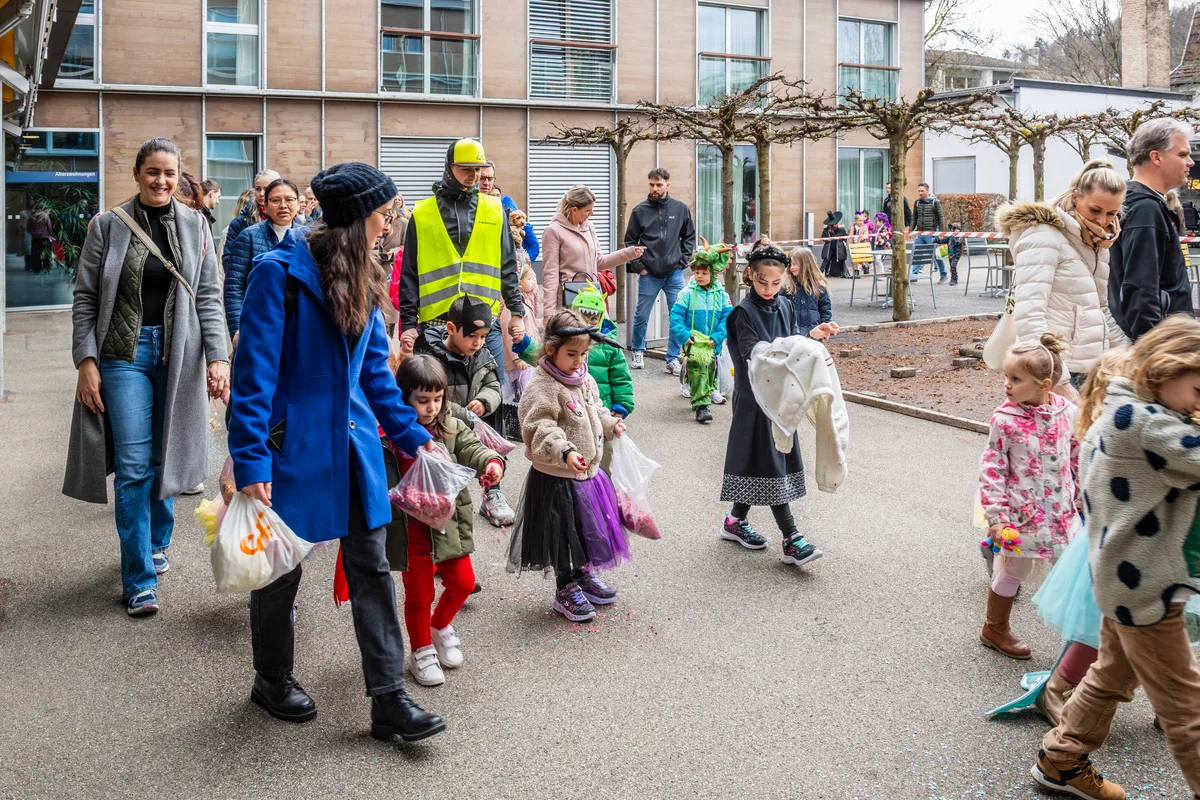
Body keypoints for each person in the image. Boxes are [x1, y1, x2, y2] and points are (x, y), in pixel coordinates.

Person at [228, 161, 445, 742]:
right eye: (383, 214)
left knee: (371, 568)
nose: (389, 223)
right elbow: (253, 379)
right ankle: (271, 677)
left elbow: (376, 375)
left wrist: (415, 437)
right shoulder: (278, 275)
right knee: (281, 570)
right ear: (355, 220)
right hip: (292, 451)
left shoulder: (368, 276)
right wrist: (249, 460)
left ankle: (388, 698)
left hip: (352, 450)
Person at [1031, 316, 1200, 800]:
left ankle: (1061, 761)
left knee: (1111, 675)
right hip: (1147, 584)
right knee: (1187, 708)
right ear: (1166, 370)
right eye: (1197, 389)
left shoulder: (1124, 410)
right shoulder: (1145, 424)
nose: (1199, 403)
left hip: (1125, 579)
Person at [64, 137, 230, 616]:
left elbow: (209, 297)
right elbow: (85, 298)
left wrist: (218, 358)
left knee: (166, 455)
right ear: (137, 173)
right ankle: (138, 579)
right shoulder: (108, 226)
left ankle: (159, 540)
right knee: (135, 465)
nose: (161, 180)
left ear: (180, 178)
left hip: (179, 352)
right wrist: (86, 361)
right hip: (122, 354)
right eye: (153, 171)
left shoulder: (196, 224)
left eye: (170, 173)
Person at [1024, 348, 1128, 727]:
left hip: (1125, 544)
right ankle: (1057, 687)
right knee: (1094, 629)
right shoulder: (1109, 434)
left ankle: (1174, 698)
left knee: (1146, 631)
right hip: (1112, 545)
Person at [388, 355, 504, 687]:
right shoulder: (392, 434)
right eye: (422, 400)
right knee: (419, 594)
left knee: (463, 583)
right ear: (403, 396)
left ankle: (439, 626)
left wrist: (492, 463)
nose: (431, 407)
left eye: (437, 399)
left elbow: (473, 448)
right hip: (409, 529)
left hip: (447, 524)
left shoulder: (450, 425)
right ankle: (421, 650)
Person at [508, 309, 629, 623]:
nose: (578, 360)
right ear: (551, 350)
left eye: (584, 353)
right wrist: (563, 451)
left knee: (585, 531)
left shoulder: (584, 378)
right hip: (557, 475)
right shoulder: (543, 386)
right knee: (563, 536)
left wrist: (610, 424)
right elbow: (538, 427)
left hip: (587, 473)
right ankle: (565, 588)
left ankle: (582, 575)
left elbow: (595, 409)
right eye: (571, 354)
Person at [720, 245, 831, 567]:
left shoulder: (785, 305)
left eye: (775, 282)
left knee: (762, 459)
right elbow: (757, 354)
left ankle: (735, 521)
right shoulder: (742, 313)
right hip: (754, 400)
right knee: (770, 462)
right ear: (749, 277)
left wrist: (812, 334)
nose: (769, 290)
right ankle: (791, 538)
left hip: (783, 397)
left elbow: (792, 340)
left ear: (784, 279)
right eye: (762, 282)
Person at [397, 139, 526, 411]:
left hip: (483, 324)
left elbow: (507, 266)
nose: (474, 175)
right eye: (466, 168)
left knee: (489, 400)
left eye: (478, 169)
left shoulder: (495, 210)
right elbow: (409, 273)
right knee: (433, 407)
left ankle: (490, 454)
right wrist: (408, 322)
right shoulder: (422, 214)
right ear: (449, 167)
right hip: (435, 326)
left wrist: (517, 312)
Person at [977, 333, 1078, 660]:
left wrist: (1086, 494)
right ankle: (995, 627)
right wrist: (996, 516)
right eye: (1006, 377)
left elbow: (1077, 451)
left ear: (1044, 385)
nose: (1007, 384)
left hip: (1063, 514)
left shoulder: (1068, 414)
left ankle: (1080, 637)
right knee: (1009, 572)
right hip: (1021, 517)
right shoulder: (1004, 420)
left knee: (1072, 570)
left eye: (1016, 379)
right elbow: (992, 466)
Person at [1001, 159, 1131, 392]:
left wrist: (1131, 356)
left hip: (1087, 369)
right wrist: (1057, 381)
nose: (1103, 221)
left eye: (1112, 213)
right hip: (1057, 372)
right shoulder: (1043, 235)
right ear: (1075, 197)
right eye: (1095, 210)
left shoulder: (1098, 243)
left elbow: (1099, 310)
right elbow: (1030, 314)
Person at [413, 295, 512, 527]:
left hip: (475, 427)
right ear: (450, 328)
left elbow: (494, 386)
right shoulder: (433, 358)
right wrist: (463, 413)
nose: (478, 343)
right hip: (443, 429)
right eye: (472, 336)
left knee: (485, 459)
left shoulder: (483, 356)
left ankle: (491, 493)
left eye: (483, 337)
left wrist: (485, 401)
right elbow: (435, 399)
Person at [1108, 118, 1195, 341]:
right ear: (1156, 157)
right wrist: (1153, 351)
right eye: (1183, 154)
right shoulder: (1146, 209)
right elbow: (1140, 288)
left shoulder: (1136, 202)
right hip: (1157, 346)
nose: (1191, 162)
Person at [625, 168, 696, 373]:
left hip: (674, 272)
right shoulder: (640, 211)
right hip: (649, 272)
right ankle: (638, 351)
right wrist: (640, 268)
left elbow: (689, 237)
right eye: (651, 184)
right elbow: (630, 241)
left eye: (659, 185)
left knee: (678, 316)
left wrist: (682, 262)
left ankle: (672, 357)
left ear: (667, 185)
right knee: (641, 315)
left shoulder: (680, 208)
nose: (654, 188)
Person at [541, 184, 643, 321]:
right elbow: (550, 274)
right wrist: (548, 313)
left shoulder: (589, 227)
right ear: (574, 210)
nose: (592, 213)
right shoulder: (553, 231)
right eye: (588, 210)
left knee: (605, 339)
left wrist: (629, 253)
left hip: (593, 297)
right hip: (570, 301)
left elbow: (599, 262)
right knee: (576, 341)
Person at [224, 178, 304, 342]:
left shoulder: (309, 238)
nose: (283, 205)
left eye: (289, 200)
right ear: (265, 206)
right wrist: (237, 329)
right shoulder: (249, 236)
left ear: (297, 203)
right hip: (259, 323)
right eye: (275, 200)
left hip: (300, 325)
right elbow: (234, 287)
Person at [669, 243, 733, 424]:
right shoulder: (686, 294)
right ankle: (701, 405)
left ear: (713, 273)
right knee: (698, 370)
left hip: (713, 343)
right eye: (697, 273)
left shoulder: (722, 295)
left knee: (710, 371)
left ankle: (698, 387)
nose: (699, 276)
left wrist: (718, 337)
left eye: (704, 273)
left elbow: (727, 318)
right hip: (694, 342)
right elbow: (676, 317)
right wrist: (684, 335)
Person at [571, 286, 634, 422]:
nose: (587, 322)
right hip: (573, 410)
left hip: (602, 411)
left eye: (593, 318)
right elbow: (542, 354)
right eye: (582, 317)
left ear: (600, 318)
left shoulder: (610, 346)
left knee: (603, 442)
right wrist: (524, 344)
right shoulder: (566, 341)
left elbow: (621, 378)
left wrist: (621, 405)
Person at [221, 168, 280, 267]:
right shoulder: (240, 222)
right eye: (258, 189)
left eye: (266, 189)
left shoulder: (291, 220)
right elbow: (230, 260)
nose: (261, 193)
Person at [784, 247, 836, 340]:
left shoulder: (819, 286)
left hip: (814, 335)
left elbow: (825, 309)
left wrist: (826, 325)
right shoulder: (787, 287)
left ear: (806, 264)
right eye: (790, 264)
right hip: (792, 336)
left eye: (795, 264)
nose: (792, 267)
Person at [911, 183, 947, 280]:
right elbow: (914, 217)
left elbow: (941, 218)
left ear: (927, 190)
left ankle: (943, 274)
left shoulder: (935, 202)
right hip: (919, 232)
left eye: (922, 191)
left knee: (936, 254)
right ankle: (914, 275)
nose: (920, 193)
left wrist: (941, 233)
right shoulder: (917, 202)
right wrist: (911, 230)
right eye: (919, 191)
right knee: (917, 253)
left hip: (931, 232)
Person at [500, 193, 540, 263]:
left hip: (521, 261)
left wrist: (524, 261)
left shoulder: (525, 226)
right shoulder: (500, 225)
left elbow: (534, 247)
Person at [819, 212, 850, 278]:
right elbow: (823, 238)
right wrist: (827, 240)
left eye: (837, 223)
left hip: (838, 248)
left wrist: (846, 242)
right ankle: (820, 273)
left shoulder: (841, 229)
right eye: (835, 223)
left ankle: (843, 272)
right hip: (829, 248)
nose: (836, 224)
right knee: (826, 260)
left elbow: (846, 237)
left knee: (841, 259)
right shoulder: (826, 230)